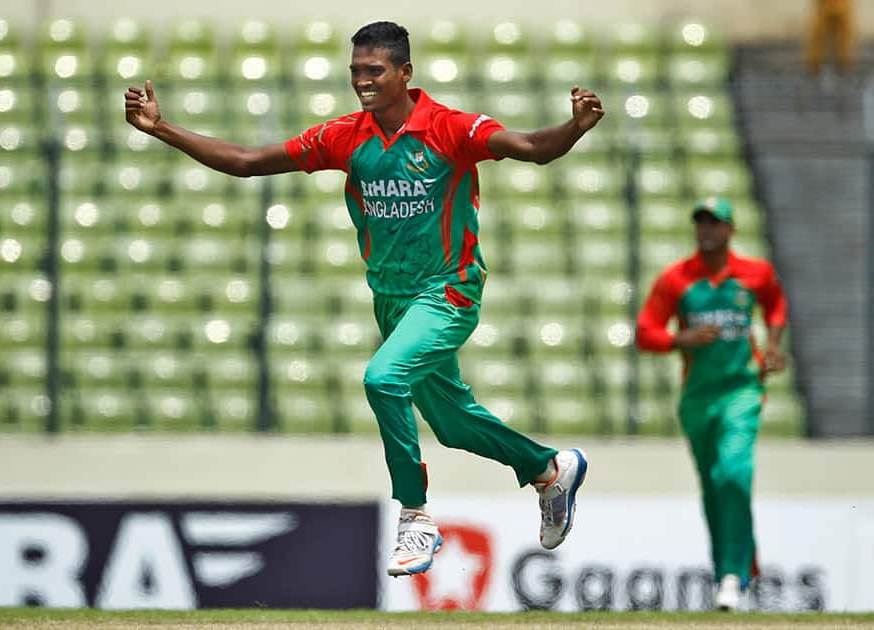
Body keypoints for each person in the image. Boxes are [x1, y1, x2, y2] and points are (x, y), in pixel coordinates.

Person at [125, 21, 603, 576]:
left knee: (382, 378)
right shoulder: (346, 136)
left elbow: (529, 148)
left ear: (405, 73)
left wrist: (573, 128)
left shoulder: (450, 129)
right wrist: (163, 130)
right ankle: (549, 469)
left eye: (374, 71)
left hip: (448, 291)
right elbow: (248, 161)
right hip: (394, 303)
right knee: (451, 424)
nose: (362, 81)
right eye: (356, 71)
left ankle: (415, 517)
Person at [636, 196, 788, 611]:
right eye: (701, 222)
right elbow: (646, 332)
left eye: (715, 223)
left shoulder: (755, 274)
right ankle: (737, 563)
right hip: (697, 400)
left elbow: (776, 305)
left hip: (742, 392)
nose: (706, 230)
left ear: (731, 230)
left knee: (733, 474)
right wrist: (680, 339)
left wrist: (773, 346)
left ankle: (731, 577)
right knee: (713, 486)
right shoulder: (677, 279)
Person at [805, 0, 855, 73]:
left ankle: (844, 64)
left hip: (841, 5)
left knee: (844, 41)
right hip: (824, 6)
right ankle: (814, 64)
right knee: (817, 36)